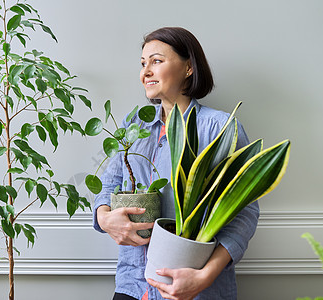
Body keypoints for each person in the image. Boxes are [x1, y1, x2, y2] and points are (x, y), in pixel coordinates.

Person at [93, 27, 260, 300]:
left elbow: (244, 213)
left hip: (195, 289)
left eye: (156, 61)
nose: (146, 71)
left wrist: (204, 277)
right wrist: (105, 218)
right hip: (133, 285)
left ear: (188, 68)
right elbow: (109, 183)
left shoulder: (220, 128)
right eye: (143, 63)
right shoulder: (134, 124)